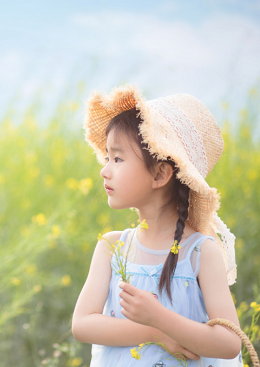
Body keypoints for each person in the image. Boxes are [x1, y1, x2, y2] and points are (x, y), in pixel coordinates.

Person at [72, 85, 243, 367]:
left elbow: (229, 343)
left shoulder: (199, 252)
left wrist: (160, 316)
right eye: (106, 158)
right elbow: (82, 325)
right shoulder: (111, 247)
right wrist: (155, 332)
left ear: (161, 174)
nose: (104, 169)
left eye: (117, 158)